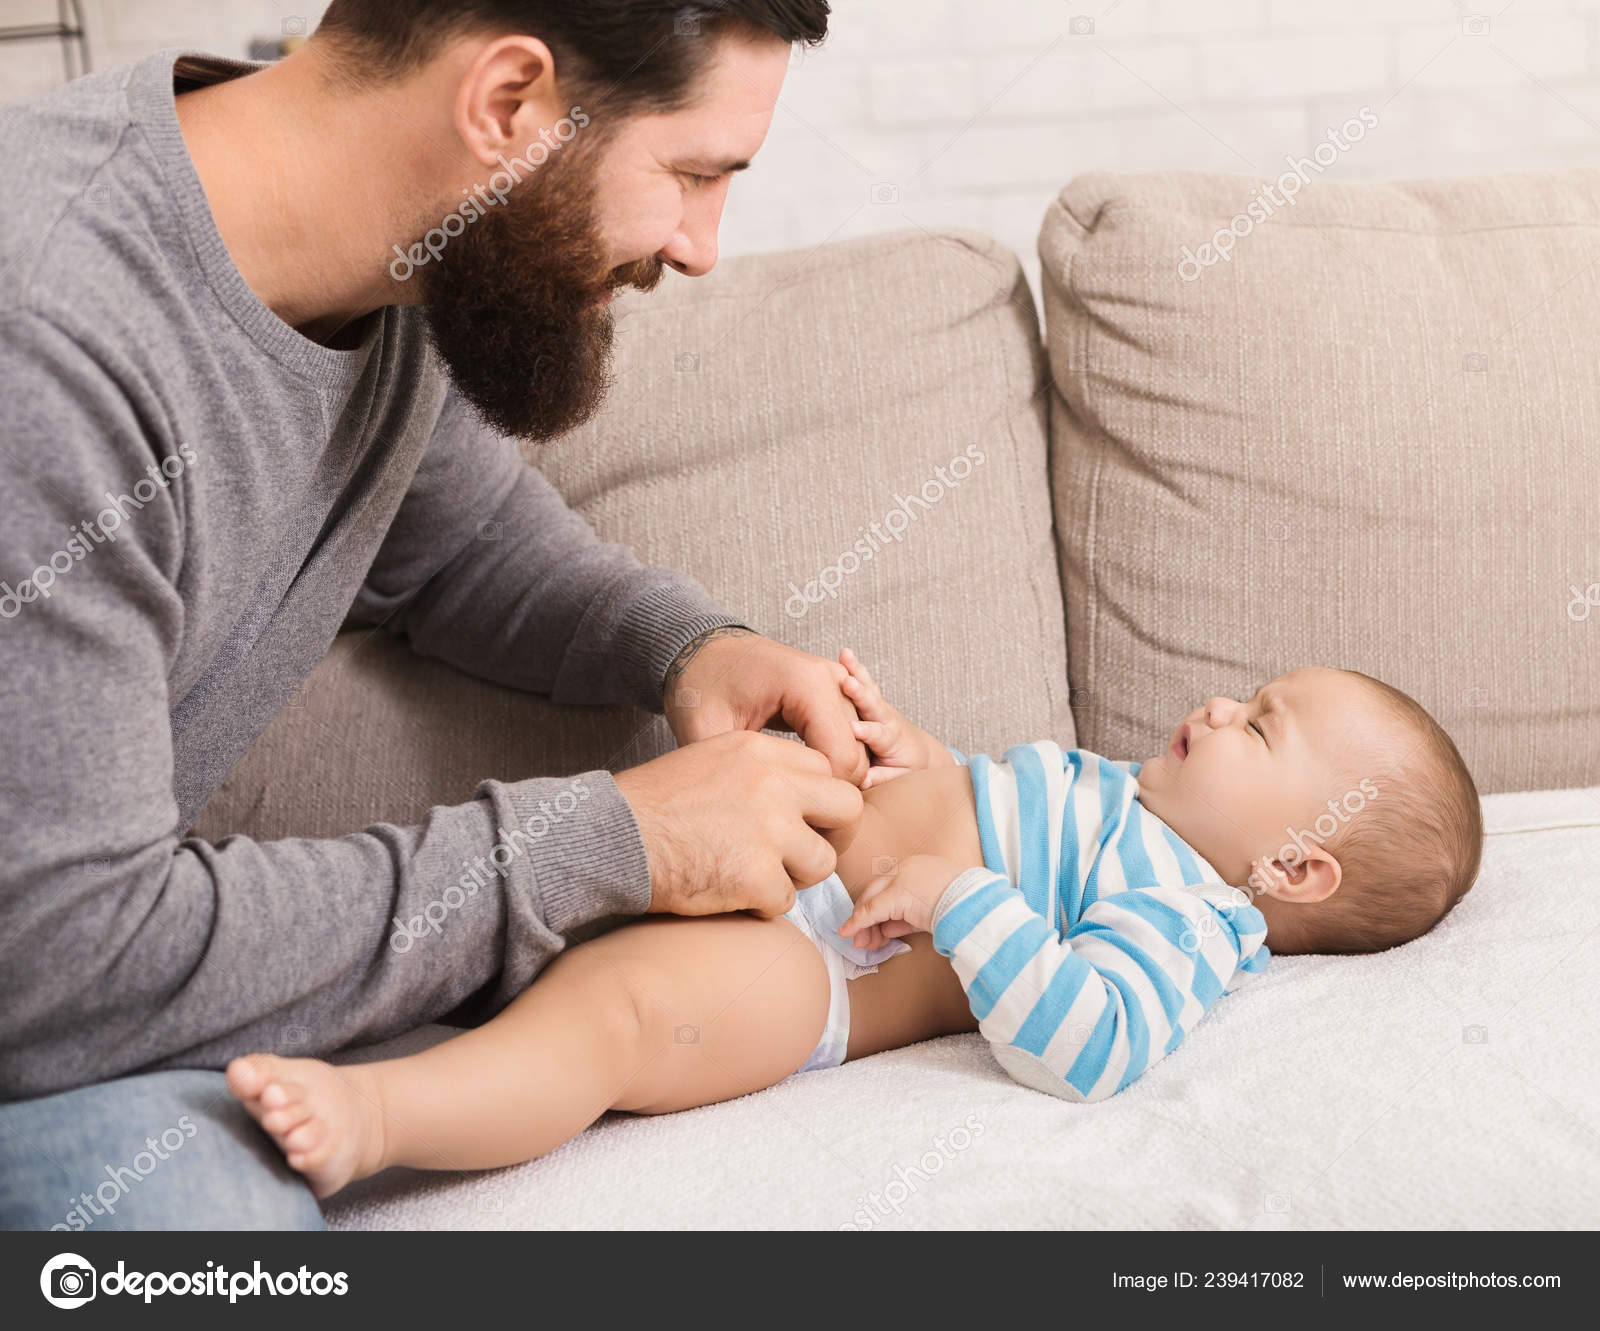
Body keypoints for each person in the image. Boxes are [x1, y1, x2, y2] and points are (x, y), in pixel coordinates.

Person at [0, 0, 847, 1230]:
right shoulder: (49, 336)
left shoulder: (392, 265)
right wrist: (610, 839)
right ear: (508, 103)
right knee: (194, 1213)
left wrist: (686, 648)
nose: (703, 244)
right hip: (51, 998)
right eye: (692, 172)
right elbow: (66, 964)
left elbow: (460, 544)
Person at [220, 660, 1482, 1196]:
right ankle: (271, 994)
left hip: (819, 968)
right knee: (535, 886)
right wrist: (911, 751)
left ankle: (379, 1123)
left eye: (1258, 725)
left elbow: (1088, 1043)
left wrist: (951, 894)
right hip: (782, 862)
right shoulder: (1121, 793)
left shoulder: (1195, 913)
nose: (1216, 704)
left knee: (615, 1015)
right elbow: (990, 800)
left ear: (1298, 866)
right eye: (1246, 691)